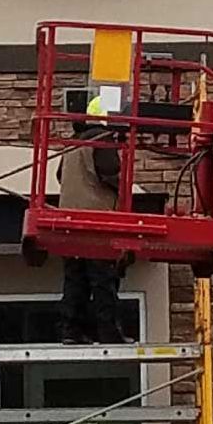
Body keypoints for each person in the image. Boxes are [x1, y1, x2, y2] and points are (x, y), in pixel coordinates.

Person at [56, 95, 133, 344]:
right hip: (97, 220)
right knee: (103, 280)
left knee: (75, 278)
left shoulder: (72, 144)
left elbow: (60, 175)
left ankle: (71, 331)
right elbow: (109, 172)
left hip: (69, 220)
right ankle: (109, 333)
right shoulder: (103, 141)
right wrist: (122, 191)